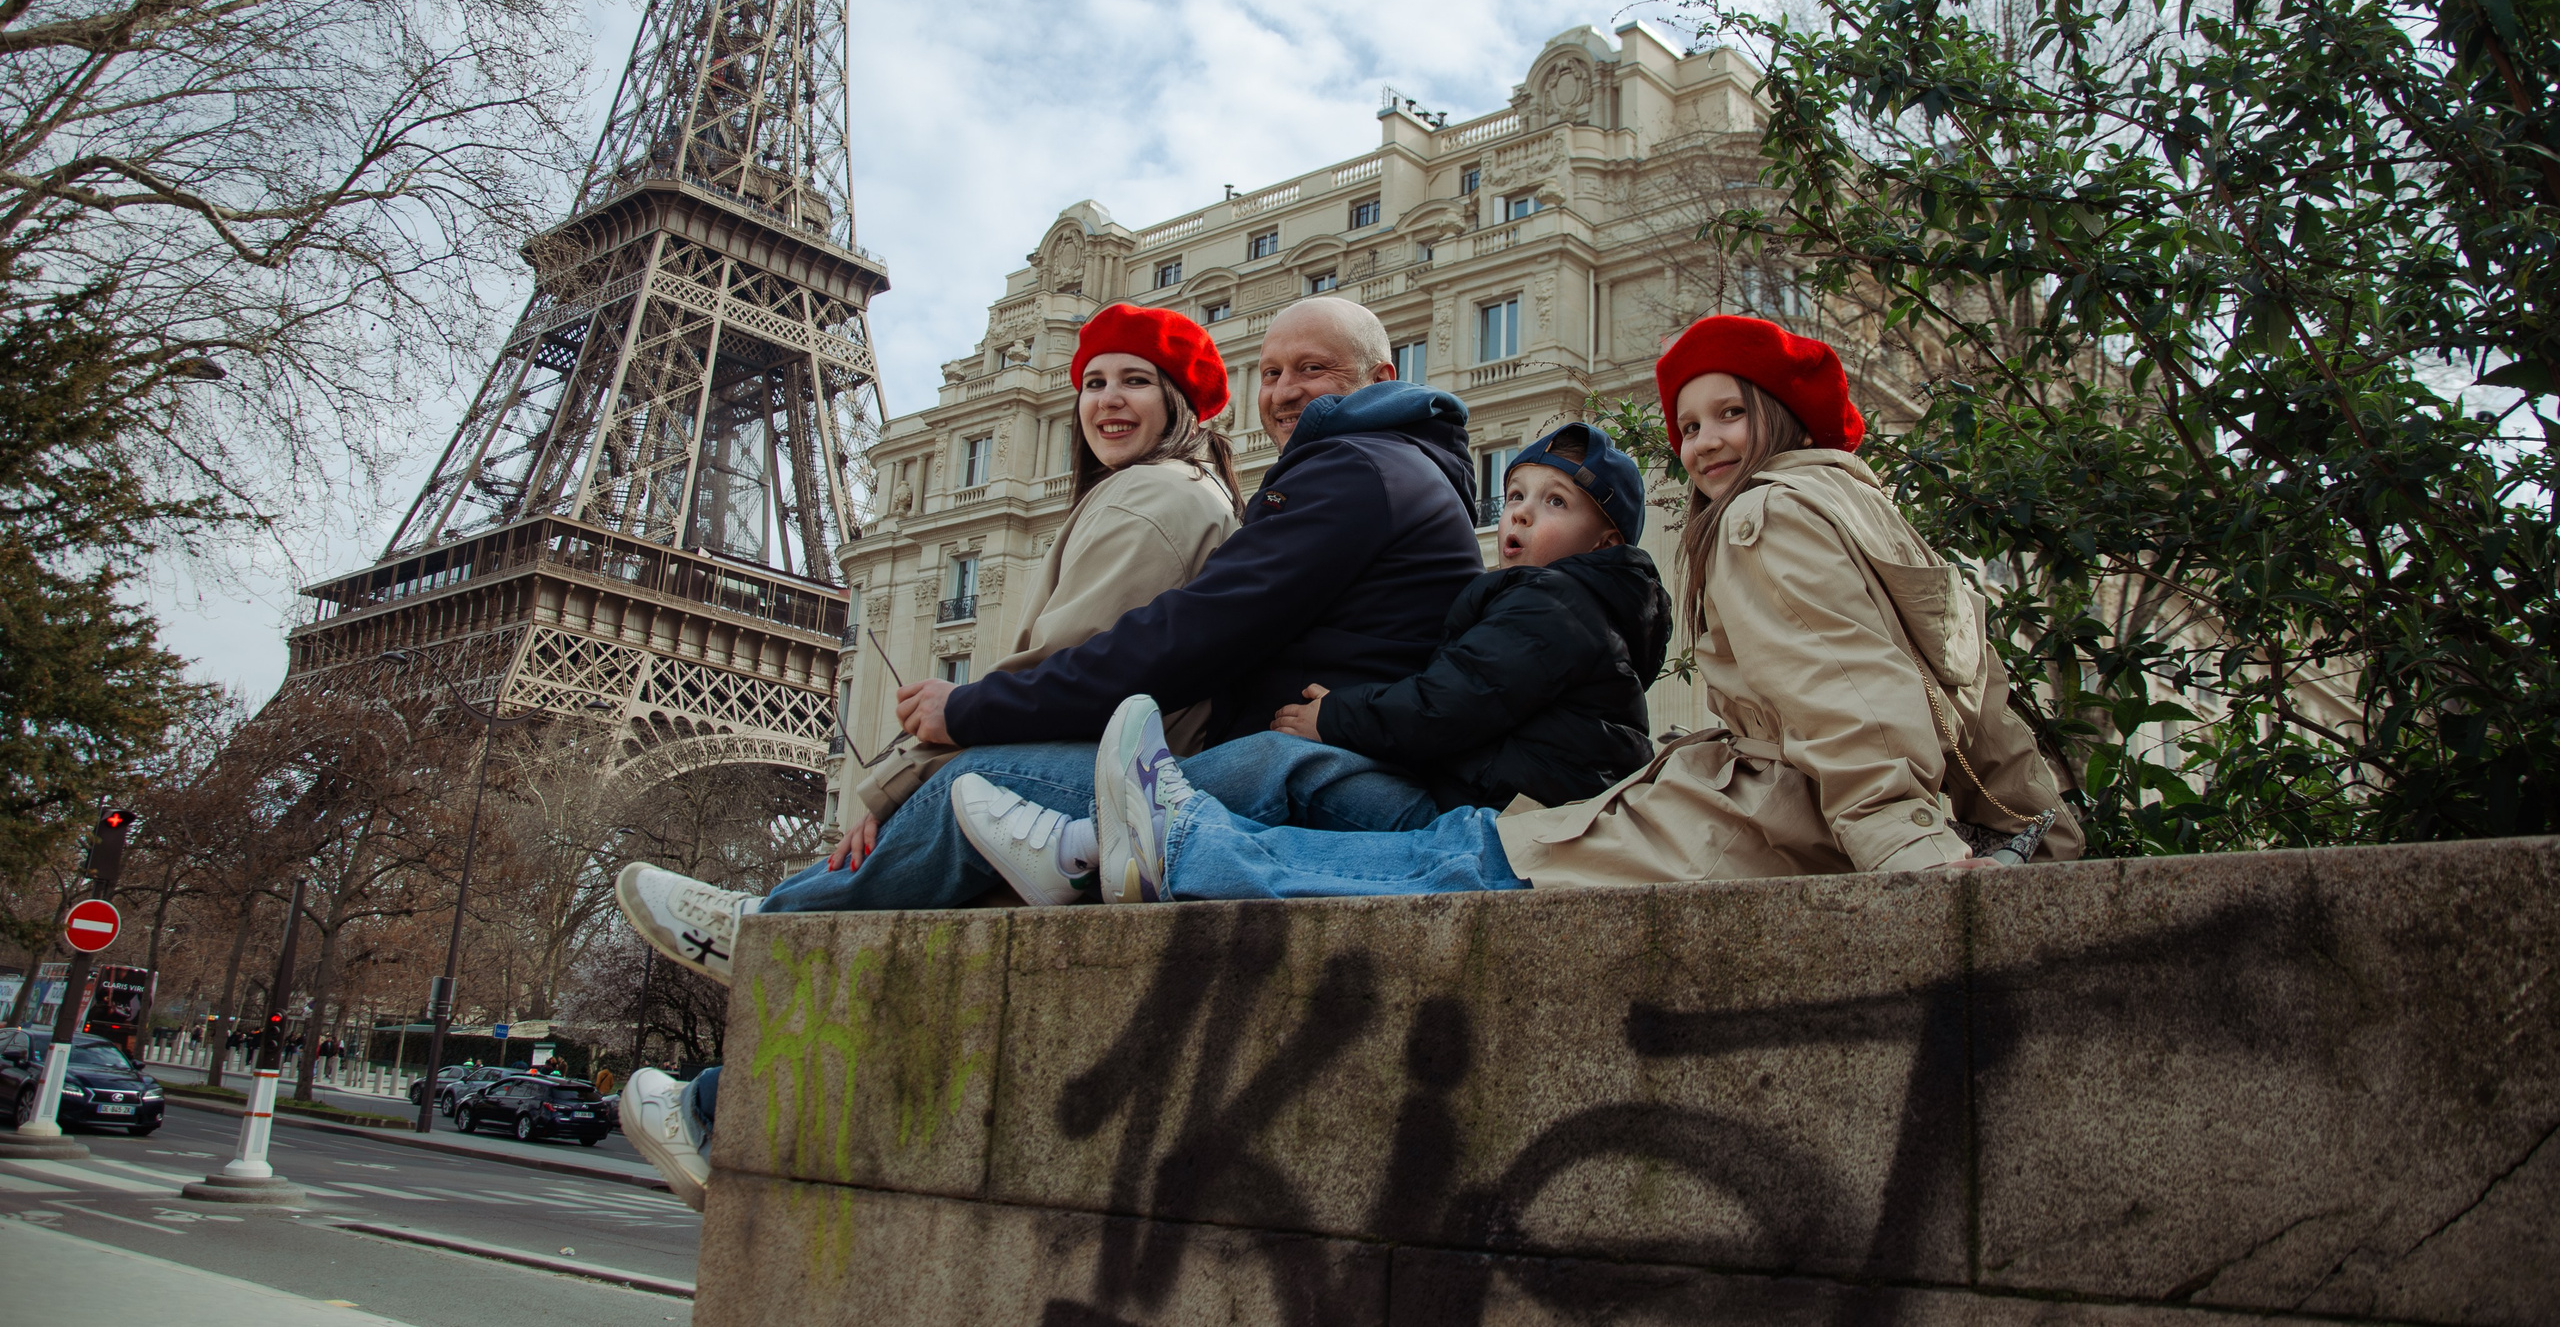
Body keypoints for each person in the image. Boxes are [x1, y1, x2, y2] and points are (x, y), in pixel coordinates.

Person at [1038, 315, 2084, 903]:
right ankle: (1153, 837)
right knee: (1438, 853)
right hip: (1760, 811)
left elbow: (1842, 689)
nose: (1708, 441)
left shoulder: (1769, 520)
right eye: (1689, 422)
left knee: (1451, 856)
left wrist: (1910, 851)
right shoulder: (1859, 509)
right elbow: (1967, 690)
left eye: (1729, 414)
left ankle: (1177, 842)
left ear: (1778, 418)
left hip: (1752, 822)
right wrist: (2038, 825)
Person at [615, 301, 1241, 1207]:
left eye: (1135, 381)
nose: (1107, 401)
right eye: (1093, 382)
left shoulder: (1153, 500)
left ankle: (768, 926)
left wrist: (897, 776)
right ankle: (717, 1108)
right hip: (1114, 767)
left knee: (949, 813)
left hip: (1091, 765)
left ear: (1179, 400)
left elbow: (1058, 672)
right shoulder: (1171, 492)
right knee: (902, 963)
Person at [953, 422, 1671, 903]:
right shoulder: (1556, 605)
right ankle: (1088, 844)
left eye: (1553, 503)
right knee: (1282, 801)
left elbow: (1449, 706)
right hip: (1494, 811)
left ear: (1606, 542)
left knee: (1285, 769)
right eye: (1514, 495)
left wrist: (1339, 716)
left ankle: (1086, 843)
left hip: (1502, 825)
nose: (1517, 514)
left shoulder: (1556, 607)